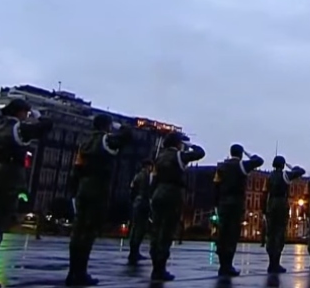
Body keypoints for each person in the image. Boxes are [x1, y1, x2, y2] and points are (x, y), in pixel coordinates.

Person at [0, 98, 53, 288]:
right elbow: (46, 126)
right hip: (7, 179)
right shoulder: (18, 129)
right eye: (26, 112)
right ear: (21, 112)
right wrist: (38, 116)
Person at [66, 114, 133, 285]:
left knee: (78, 231)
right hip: (98, 187)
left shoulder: (85, 143)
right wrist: (121, 127)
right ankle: (81, 272)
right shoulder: (106, 141)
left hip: (83, 187)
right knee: (89, 232)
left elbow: (76, 168)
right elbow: (127, 137)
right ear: (107, 126)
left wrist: (74, 190)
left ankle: (72, 271)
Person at [148, 132, 205, 283]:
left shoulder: (159, 157)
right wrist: (190, 144)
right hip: (171, 193)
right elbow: (200, 153)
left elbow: (153, 178)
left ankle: (155, 265)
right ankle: (160, 268)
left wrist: (150, 196)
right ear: (178, 143)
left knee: (156, 231)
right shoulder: (178, 156)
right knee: (166, 232)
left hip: (158, 193)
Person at [213, 144, 263, 277]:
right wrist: (248, 153)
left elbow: (216, 185)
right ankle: (228, 265)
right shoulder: (241, 166)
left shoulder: (221, 167)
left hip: (223, 202)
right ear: (240, 154)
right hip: (235, 203)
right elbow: (259, 160)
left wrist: (216, 203)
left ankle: (222, 264)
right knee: (232, 234)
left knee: (222, 233)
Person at [264, 156, 305, 274]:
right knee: (279, 233)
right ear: (282, 165)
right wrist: (292, 167)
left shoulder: (269, 177)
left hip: (271, 203)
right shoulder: (285, 175)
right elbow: (301, 171)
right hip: (281, 203)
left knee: (270, 234)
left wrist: (264, 209)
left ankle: (271, 262)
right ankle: (276, 262)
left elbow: (264, 193)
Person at [125, 160, 154, 264]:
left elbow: (132, 190)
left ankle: (133, 251)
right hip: (143, 202)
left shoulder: (137, 176)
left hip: (136, 202)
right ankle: (135, 252)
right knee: (140, 228)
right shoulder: (147, 176)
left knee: (135, 227)